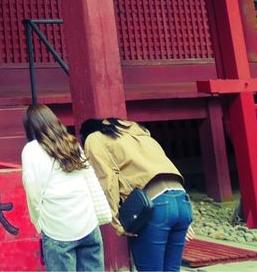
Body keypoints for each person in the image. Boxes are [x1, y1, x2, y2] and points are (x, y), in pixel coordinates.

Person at [80, 117, 194, 272]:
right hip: (182, 201)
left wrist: (116, 222)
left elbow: (107, 182)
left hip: (154, 205)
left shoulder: (94, 139)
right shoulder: (140, 134)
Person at [21, 105, 106, 271]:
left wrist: (38, 223)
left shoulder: (32, 150)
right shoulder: (70, 143)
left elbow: (33, 194)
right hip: (87, 222)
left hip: (58, 227)